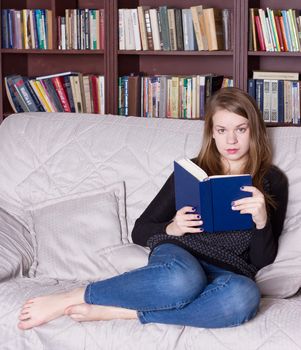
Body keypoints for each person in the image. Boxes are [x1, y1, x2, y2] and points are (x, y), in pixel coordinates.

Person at [18, 87, 288, 330]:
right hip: (180, 259)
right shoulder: (191, 171)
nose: (231, 140)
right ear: (211, 133)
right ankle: (75, 295)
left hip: (229, 272)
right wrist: (174, 227)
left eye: (240, 129)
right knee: (183, 280)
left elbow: (262, 261)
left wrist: (262, 221)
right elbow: (140, 231)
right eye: (222, 130)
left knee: (245, 297)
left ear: (253, 129)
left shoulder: (272, 180)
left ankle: (128, 313)